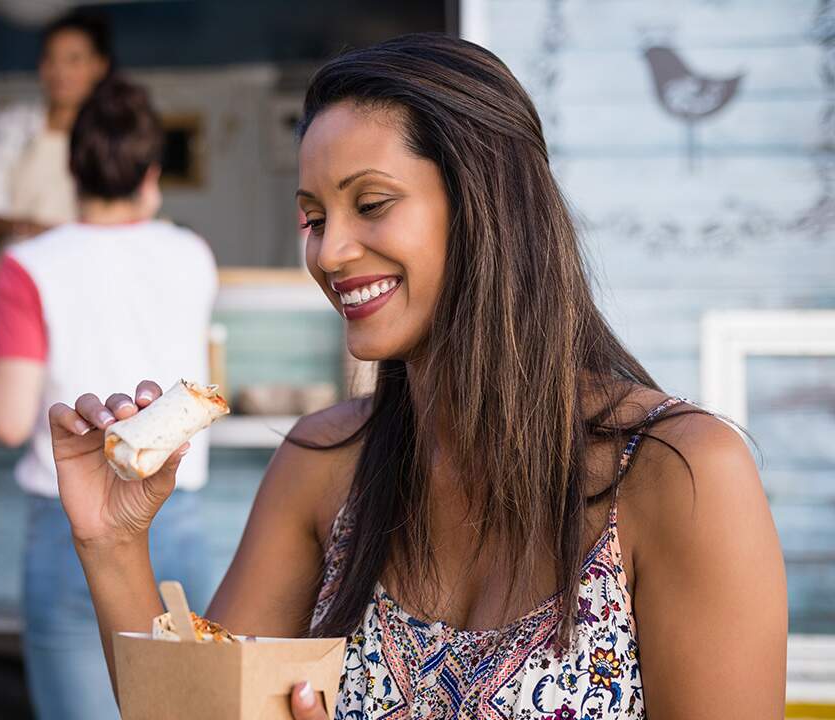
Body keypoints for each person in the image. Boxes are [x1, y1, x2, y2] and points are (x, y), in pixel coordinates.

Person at [46, 35, 788, 720]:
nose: (330, 252)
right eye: (312, 217)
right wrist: (113, 544)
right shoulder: (323, 467)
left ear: (485, 207)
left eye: (370, 204)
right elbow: (201, 715)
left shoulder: (679, 474)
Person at [0, 76, 218, 720]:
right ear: (151, 174)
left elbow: (9, 417)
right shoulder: (192, 254)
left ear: (73, 167)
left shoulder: (29, 264)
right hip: (180, 519)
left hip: (73, 526)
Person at [0, 11, 113, 243]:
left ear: (99, 66)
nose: (60, 72)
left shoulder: (112, 135)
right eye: (51, 59)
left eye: (73, 59)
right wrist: (30, 229)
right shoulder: (10, 124)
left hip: (85, 265)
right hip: (18, 263)